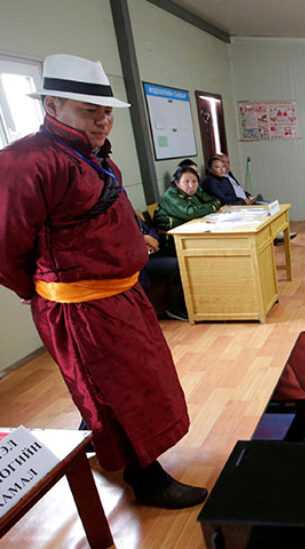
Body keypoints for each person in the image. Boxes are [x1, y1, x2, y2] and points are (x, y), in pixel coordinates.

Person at [0, 54, 207, 509]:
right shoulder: (25, 163)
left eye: (106, 111)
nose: (103, 120)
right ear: (52, 106)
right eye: (89, 111)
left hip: (122, 297)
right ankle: (145, 479)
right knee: (118, 390)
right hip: (83, 308)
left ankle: (96, 438)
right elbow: (5, 244)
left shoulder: (93, 158)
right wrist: (37, 288)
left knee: (139, 383)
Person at [152, 166, 221, 237]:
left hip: (191, 228)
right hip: (171, 236)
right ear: (177, 182)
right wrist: (212, 207)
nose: (191, 186)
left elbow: (216, 201)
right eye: (186, 182)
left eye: (194, 181)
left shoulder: (194, 192)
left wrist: (201, 209)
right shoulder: (171, 195)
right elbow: (190, 213)